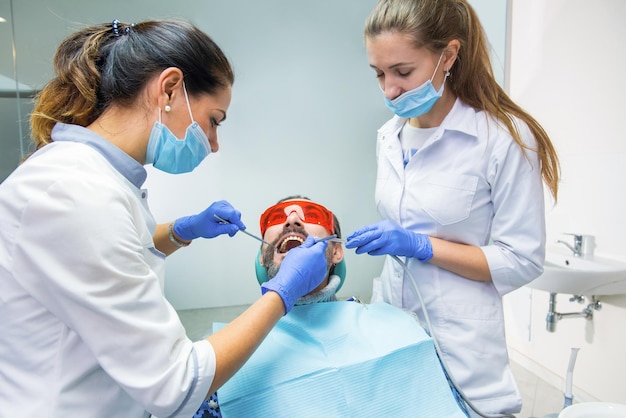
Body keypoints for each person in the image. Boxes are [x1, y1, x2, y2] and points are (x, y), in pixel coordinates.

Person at [0, 20, 329, 418]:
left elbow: (111, 253)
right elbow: (178, 385)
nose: (213, 144)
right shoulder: (76, 193)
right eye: (215, 120)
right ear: (170, 89)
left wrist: (179, 231)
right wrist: (284, 290)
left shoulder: (98, 180)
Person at [345, 0, 560, 416]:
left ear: (448, 55)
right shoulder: (389, 136)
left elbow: (523, 259)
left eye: (403, 72)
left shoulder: (503, 140)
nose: (389, 90)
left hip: (462, 345)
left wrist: (421, 246)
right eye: (379, 74)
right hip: (393, 325)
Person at [195, 196, 468, 418]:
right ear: (263, 253)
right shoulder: (218, 356)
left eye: (312, 214)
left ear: (336, 250)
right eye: (277, 217)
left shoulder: (403, 327)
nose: (292, 219)